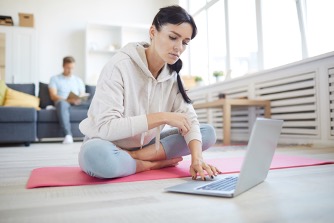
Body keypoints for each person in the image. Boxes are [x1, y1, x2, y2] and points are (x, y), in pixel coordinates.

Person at [78, 5, 221, 180]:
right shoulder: (118, 66)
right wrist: (163, 117)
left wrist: (197, 160)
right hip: (107, 144)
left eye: (184, 42)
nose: (178, 48)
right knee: (97, 158)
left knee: (206, 133)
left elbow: (189, 119)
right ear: (153, 32)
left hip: (146, 146)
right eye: (172, 37)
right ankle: (149, 164)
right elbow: (106, 128)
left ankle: (134, 159)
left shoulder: (173, 76)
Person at [49, 56, 87, 144]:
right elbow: (53, 96)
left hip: (77, 104)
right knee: (61, 104)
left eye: (72, 68)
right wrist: (68, 100)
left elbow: (82, 95)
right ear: (63, 66)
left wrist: (79, 99)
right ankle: (68, 135)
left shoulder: (78, 80)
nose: (70, 71)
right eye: (68, 68)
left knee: (95, 103)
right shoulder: (55, 79)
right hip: (64, 103)